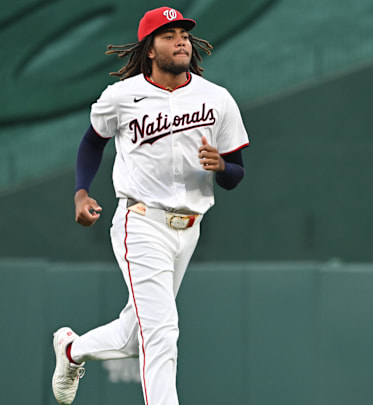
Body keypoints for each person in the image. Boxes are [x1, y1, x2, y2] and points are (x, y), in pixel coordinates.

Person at [51, 7, 249, 405]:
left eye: (184, 33)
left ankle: (71, 351)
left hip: (189, 228)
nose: (180, 40)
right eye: (168, 34)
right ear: (151, 50)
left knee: (135, 335)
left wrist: (222, 166)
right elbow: (93, 141)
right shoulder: (123, 97)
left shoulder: (217, 99)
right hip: (140, 221)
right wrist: (81, 191)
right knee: (162, 331)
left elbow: (236, 174)